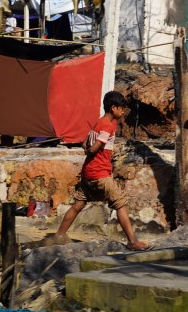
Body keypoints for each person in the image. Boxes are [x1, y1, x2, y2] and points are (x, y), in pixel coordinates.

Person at [53, 91, 150, 250]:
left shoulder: (99, 122)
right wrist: (91, 151)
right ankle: (133, 241)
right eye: (121, 108)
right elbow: (93, 148)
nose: (123, 112)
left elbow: (84, 143)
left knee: (78, 204)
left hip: (88, 173)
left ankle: (59, 235)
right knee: (120, 203)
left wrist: (90, 150)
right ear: (113, 108)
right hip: (100, 174)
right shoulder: (108, 126)